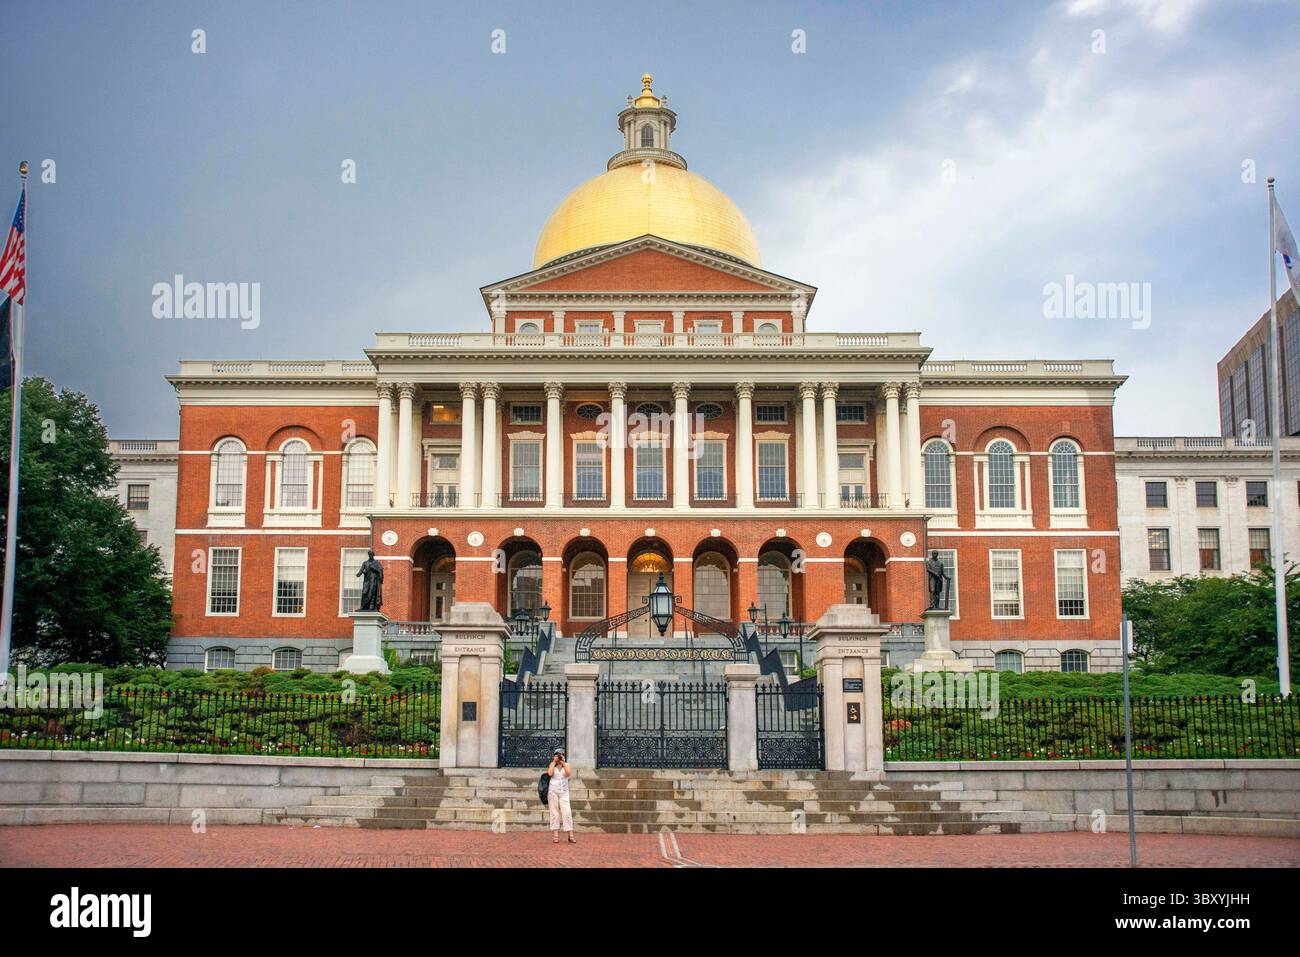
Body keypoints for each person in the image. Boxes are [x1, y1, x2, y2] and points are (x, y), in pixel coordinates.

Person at [546, 747, 575, 844]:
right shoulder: (552, 765)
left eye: (560, 755)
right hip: (553, 792)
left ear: (563, 756)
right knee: (554, 813)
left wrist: (563, 763)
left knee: (567, 812)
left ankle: (570, 835)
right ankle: (556, 836)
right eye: (556, 755)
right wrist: (554, 762)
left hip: (564, 792)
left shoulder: (566, 765)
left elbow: (568, 774)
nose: (558, 757)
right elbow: (549, 773)